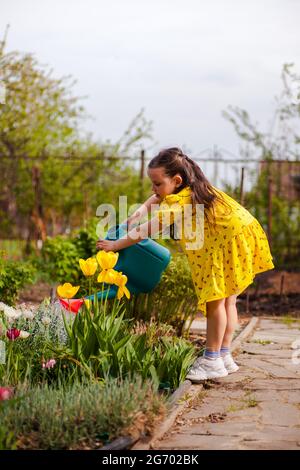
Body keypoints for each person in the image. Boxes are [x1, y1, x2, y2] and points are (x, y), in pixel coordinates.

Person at [96, 147, 274, 382]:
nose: (154, 189)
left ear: (176, 180)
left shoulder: (180, 203)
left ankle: (212, 361)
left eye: (157, 183)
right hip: (241, 233)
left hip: (222, 243)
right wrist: (136, 214)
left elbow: (148, 230)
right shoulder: (192, 188)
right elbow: (155, 199)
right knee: (228, 299)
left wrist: (115, 245)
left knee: (214, 302)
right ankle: (224, 355)